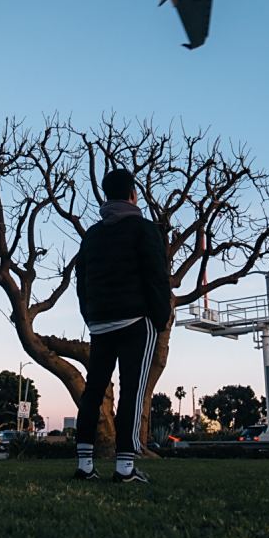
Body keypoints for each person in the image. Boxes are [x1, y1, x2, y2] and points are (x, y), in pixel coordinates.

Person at [73, 166, 171, 484]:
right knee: (132, 391)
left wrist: (90, 315)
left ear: (106, 196)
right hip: (135, 322)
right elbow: (157, 276)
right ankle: (125, 467)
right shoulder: (144, 229)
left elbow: (81, 279)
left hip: (100, 323)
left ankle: (85, 464)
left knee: (93, 392)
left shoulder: (92, 235)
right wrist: (160, 318)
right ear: (133, 194)